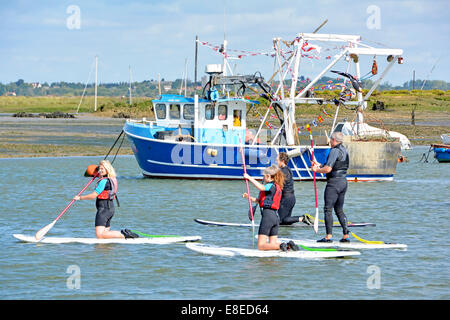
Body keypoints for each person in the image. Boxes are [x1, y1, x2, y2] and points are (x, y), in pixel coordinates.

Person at [73, 160, 138, 239]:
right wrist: (99, 174)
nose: (100, 171)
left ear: (107, 169)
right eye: (99, 169)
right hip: (110, 209)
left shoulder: (103, 181)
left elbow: (94, 195)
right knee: (105, 235)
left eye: (102, 169)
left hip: (103, 210)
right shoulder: (112, 179)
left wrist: (80, 198)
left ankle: (124, 234)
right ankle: (107, 250)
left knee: (99, 235)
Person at [243, 165, 299, 251]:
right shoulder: (278, 187)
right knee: (272, 244)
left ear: (269, 176)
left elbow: (261, 188)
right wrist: (249, 197)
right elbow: (262, 201)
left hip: (268, 217)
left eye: (264, 176)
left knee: (261, 246)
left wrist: (249, 177)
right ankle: (287, 245)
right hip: (276, 217)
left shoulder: (270, 185)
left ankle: (281, 245)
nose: (263, 178)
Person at [311, 132, 350, 243]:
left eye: (330, 140)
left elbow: (328, 169)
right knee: (339, 210)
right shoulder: (344, 150)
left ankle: (328, 237)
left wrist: (316, 170)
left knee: (328, 209)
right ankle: (345, 235)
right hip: (343, 182)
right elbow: (334, 165)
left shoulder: (334, 150)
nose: (329, 142)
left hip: (334, 183)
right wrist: (319, 164)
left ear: (333, 140)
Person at [276, 152, 313, 226]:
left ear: (282, 161)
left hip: (286, 199)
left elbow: (277, 185)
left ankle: (302, 218)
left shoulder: (283, 171)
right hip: (291, 198)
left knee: (280, 221)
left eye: (277, 160)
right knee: (285, 221)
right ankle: (287, 235)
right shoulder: (288, 169)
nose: (276, 162)